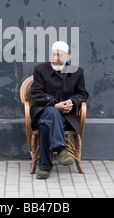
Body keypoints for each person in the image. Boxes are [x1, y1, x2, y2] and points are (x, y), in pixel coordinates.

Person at [30, 41, 89, 179]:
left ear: (67, 56)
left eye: (60, 55)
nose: (55, 58)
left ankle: (44, 166)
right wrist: (55, 105)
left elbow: (83, 94)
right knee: (51, 112)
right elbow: (36, 93)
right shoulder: (40, 69)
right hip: (43, 111)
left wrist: (72, 101)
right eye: (53, 54)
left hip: (66, 117)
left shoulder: (77, 71)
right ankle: (61, 149)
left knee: (45, 126)